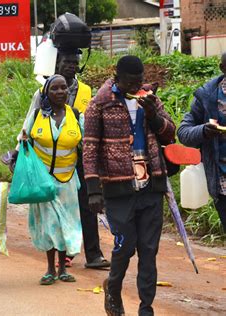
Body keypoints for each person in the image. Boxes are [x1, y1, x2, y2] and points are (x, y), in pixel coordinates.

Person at [83, 56, 175, 316]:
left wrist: (152, 114)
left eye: (139, 81)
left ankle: (146, 309)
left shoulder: (150, 100)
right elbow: (89, 148)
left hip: (150, 188)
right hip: (118, 189)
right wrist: (93, 190)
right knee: (125, 246)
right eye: (130, 82)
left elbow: (170, 132)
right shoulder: (99, 104)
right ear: (117, 76)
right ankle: (113, 286)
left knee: (149, 250)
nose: (136, 87)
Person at [21, 50, 109, 269]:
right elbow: (27, 129)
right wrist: (19, 157)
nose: (71, 66)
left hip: (77, 158)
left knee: (86, 206)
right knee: (53, 214)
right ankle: (61, 258)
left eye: (74, 62)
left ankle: (92, 254)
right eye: (66, 62)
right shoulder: (40, 95)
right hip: (47, 164)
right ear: (57, 64)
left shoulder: (87, 91)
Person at [14, 74, 83, 285]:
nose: (61, 92)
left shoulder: (76, 115)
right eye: (55, 89)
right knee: (49, 223)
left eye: (64, 88)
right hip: (43, 180)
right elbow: (23, 140)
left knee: (65, 224)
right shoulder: (37, 115)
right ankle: (50, 269)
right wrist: (16, 162)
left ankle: (63, 268)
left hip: (68, 180)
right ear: (46, 92)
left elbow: (85, 146)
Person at [178, 52, 226, 231]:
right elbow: (184, 132)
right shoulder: (207, 97)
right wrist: (204, 131)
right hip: (222, 180)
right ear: (223, 68)